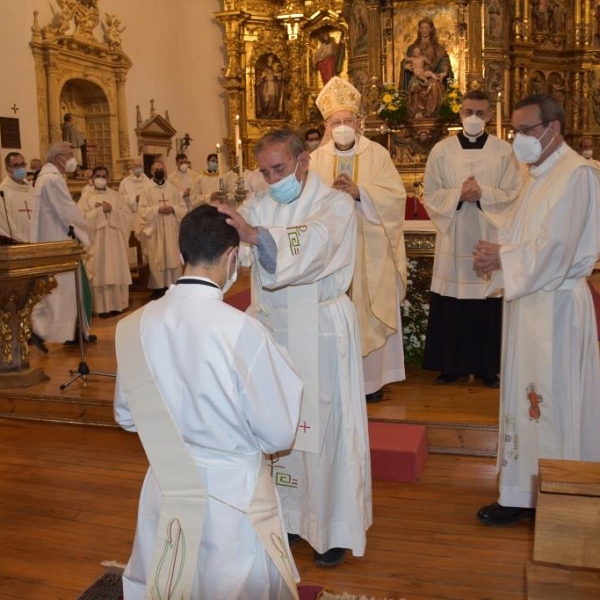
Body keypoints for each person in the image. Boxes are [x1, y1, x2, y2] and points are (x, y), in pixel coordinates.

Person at [114, 204, 303, 599]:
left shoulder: (132, 326)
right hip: (232, 493)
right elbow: (278, 433)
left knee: (166, 577)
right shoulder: (242, 332)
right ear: (232, 257)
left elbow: (127, 416)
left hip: (166, 483)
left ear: (181, 255)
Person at [218, 129, 371, 568]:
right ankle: (284, 517)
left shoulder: (335, 204)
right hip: (271, 329)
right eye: (265, 172)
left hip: (321, 328)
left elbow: (317, 244)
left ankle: (331, 527)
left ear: (304, 161)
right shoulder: (261, 204)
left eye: (279, 169)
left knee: (326, 425)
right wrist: (222, 230)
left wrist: (257, 236)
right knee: (274, 424)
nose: (272, 179)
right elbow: (238, 249)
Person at [473, 93, 600, 525]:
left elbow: (558, 248)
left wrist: (503, 259)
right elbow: (524, 233)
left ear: (553, 128)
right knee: (524, 398)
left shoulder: (576, 175)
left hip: (558, 308)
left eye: (525, 130)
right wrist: (498, 251)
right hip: (531, 304)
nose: (518, 139)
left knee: (552, 401)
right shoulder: (538, 176)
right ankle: (520, 491)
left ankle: (558, 492)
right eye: (513, 131)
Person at [310, 76, 407, 404]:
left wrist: (359, 192)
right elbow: (303, 202)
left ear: (358, 122)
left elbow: (395, 197)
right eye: (336, 122)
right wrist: (329, 198)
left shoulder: (377, 154)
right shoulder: (315, 161)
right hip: (331, 253)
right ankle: (334, 379)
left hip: (369, 247)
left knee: (366, 308)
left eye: (348, 120)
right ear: (326, 125)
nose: (342, 126)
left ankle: (371, 382)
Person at [422, 90, 521, 387]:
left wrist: (484, 194)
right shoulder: (441, 150)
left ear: (489, 116)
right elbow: (431, 193)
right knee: (453, 300)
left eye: (480, 113)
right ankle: (450, 366)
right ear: (460, 113)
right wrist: (458, 195)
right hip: (454, 236)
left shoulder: (504, 151)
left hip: (488, 233)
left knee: (486, 300)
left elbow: (514, 193)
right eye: (468, 112)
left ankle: (487, 368)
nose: (473, 118)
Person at [30, 141, 91, 344]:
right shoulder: (53, 180)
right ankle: (46, 331)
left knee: (58, 291)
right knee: (62, 290)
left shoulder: (45, 177)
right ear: (59, 159)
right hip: (59, 242)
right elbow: (68, 212)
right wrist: (85, 233)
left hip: (51, 240)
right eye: (69, 154)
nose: (73, 158)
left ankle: (71, 332)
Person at [78, 165, 132, 317]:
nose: (101, 179)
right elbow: (79, 219)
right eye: (98, 176)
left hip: (115, 241)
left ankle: (119, 305)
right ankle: (101, 308)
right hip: (97, 241)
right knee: (99, 271)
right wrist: (99, 212)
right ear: (92, 178)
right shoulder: (85, 198)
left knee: (116, 270)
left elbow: (128, 217)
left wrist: (112, 210)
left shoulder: (116, 196)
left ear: (108, 179)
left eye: (104, 176)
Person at [136, 160, 187, 299]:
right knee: (157, 257)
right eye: (156, 170)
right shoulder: (146, 191)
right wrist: (157, 209)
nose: (159, 172)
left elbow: (183, 208)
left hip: (171, 227)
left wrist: (173, 209)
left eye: (161, 170)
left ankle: (174, 284)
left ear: (164, 172)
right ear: (151, 172)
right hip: (155, 228)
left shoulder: (172, 189)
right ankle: (159, 287)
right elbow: (142, 211)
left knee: (172, 255)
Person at [400, 17, 453, 119]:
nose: (424, 30)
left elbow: (444, 60)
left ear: (431, 29)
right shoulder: (412, 47)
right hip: (416, 75)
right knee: (414, 84)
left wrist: (444, 72)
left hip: (431, 75)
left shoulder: (437, 47)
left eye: (427, 28)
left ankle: (431, 112)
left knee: (434, 85)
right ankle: (417, 112)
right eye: (422, 28)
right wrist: (405, 67)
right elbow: (406, 60)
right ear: (419, 30)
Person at [0, 152, 35, 242]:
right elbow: (5, 224)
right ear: (7, 169)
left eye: (22, 164)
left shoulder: (31, 189)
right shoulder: (2, 192)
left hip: (38, 241)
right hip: (19, 245)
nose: (20, 168)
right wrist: (23, 242)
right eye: (16, 166)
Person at [255, 53, 284, 119]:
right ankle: (264, 114)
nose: (270, 63)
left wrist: (278, 76)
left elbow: (280, 78)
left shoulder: (274, 69)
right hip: (266, 86)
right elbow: (257, 82)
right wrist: (262, 76)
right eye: (269, 61)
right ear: (267, 61)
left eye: (271, 61)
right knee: (265, 101)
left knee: (273, 101)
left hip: (273, 86)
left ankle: (273, 115)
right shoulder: (264, 69)